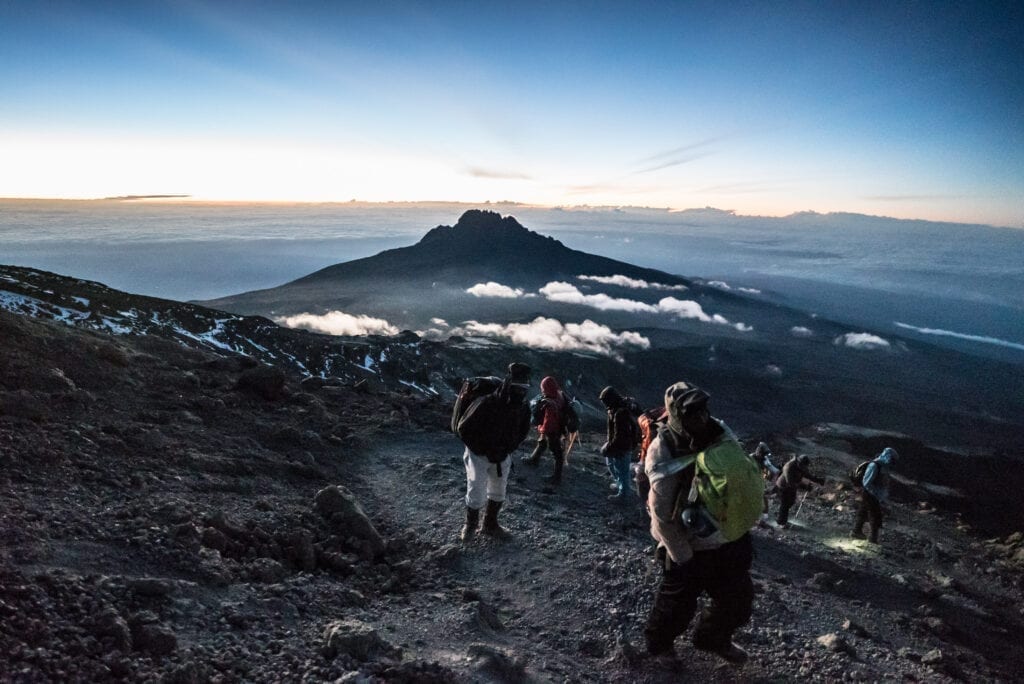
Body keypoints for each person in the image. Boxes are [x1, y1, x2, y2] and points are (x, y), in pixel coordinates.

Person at [643, 382, 755, 664]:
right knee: (676, 605)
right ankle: (660, 647)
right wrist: (683, 557)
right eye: (692, 412)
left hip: (726, 535)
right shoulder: (664, 449)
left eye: (703, 409)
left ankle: (712, 638)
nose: (702, 417)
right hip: (687, 542)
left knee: (738, 600)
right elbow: (661, 513)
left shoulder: (720, 433)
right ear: (677, 415)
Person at [459, 362, 532, 541]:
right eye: (518, 387)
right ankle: (470, 525)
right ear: (509, 384)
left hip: (502, 455)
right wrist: (483, 449)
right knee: (476, 489)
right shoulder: (487, 402)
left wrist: (507, 449)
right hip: (479, 455)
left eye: (524, 388)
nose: (520, 391)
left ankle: (490, 524)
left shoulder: (522, 407)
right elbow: (464, 428)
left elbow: (522, 431)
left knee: (499, 489)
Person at [523, 376, 569, 485]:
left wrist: (544, 431)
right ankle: (534, 459)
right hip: (559, 427)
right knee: (543, 443)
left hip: (552, 429)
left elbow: (548, 420)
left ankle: (556, 478)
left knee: (556, 453)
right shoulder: (560, 395)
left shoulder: (549, 402)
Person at [852, 447, 897, 543]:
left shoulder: (882, 466)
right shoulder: (875, 465)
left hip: (872, 494)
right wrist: (876, 493)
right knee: (875, 515)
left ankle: (856, 531)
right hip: (870, 494)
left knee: (864, 512)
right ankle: (873, 538)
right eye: (892, 460)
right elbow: (866, 482)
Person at [599, 386, 634, 499]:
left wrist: (608, 448)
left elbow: (620, 435)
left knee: (621, 470)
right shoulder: (615, 409)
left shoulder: (620, 413)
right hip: (617, 444)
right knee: (612, 465)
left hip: (621, 447)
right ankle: (620, 485)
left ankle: (624, 493)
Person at [775, 454, 824, 528]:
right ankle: (781, 523)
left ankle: (782, 518)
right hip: (783, 486)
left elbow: (807, 475)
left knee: (791, 502)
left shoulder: (802, 466)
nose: (803, 468)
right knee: (785, 503)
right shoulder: (788, 467)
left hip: (792, 486)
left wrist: (818, 480)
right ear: (798, 462)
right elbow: (790, 482)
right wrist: (805, 487)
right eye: (802, 466)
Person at [749, 442, 780, 526]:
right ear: (758, 452)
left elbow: (776, 471)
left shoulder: (765, 459)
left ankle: (764, 517)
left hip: (759, 480)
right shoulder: (750, 458)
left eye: (764, 455)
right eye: (762, 454)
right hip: (750, 481)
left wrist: (773, 484)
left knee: (764, 497)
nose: (763, 456)